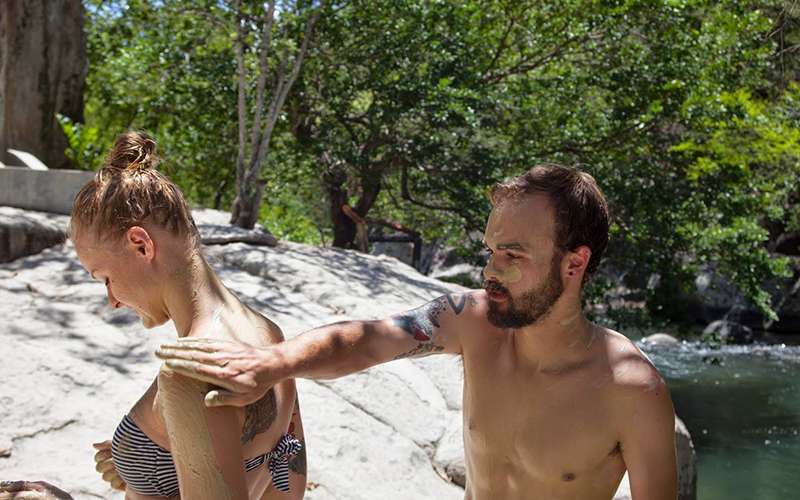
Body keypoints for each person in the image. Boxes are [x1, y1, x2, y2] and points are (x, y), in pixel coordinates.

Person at [157, 164, 678, 500]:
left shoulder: (630, 390)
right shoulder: (473, 321)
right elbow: (369, 338)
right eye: (490, 251)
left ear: (574, 263)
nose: (491, 271)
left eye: (513, 256)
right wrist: (275, 364)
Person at [69, 132, 307, 499]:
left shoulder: (193, 371)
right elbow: (288, 483)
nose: (112, 300)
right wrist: (143, 471)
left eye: (105, 279)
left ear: (141, 244)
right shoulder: (268, 334)